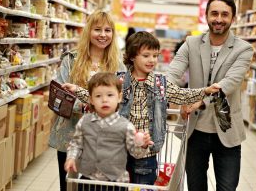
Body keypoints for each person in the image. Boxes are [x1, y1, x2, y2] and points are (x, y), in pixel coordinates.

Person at [63, 31, 220, 185]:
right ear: (132, 56)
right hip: (119, 150)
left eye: (154, 55)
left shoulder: (160, 83)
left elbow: (181, 95)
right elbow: (100, 95)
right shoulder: (120, 80)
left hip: (146, 153)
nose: (151, 60)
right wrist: (77, 90)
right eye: (146, 55)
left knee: (142, 186)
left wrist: (204, 91)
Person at [166, 0, 254, 191]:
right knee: (196, 187)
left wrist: (198, 100)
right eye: (214, 13)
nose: (219, 19)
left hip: (227, 132)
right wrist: (168, 94)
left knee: (227, 188)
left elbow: (229, 83)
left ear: (233, 18)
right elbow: (173, 72)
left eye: (225, 14)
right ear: (206, 16)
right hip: (195, 131)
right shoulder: (191, 43)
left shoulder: (244, 49)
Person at [48, 9, 125, 191]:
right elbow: (59, 95)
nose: (103, 35)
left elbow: (122, 100)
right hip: (70, 135)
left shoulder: (118, 65)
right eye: (98, 29)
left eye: (108, 30)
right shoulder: (71, 60)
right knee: (69, 185)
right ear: (88, 31)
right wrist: (86, 106)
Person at [64, 72, 153, 191]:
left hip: (116, 182)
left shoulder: (126, 126)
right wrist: (71, 158)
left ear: (119, 97)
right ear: (91, 100)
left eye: (110, 95)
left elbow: (135, 153)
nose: (104, 100)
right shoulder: (84, 122)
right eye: (98, 96)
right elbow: (76, 144)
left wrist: (142, 145)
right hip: (88, 181)